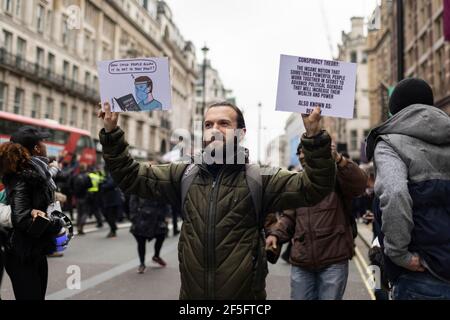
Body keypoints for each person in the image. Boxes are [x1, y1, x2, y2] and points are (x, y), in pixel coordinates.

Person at [98, 100, 335, 300]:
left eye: (224, 124)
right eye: (208, 124)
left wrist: (313, 137)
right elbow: (130, 177)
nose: (214, 129)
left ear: (241, 133)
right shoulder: (183, 174)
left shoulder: (259, 178)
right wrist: (111, 134)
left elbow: (314, 186)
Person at [366, 77, 450, 300]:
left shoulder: (389, 143)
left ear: (395, 110)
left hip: (421, 273)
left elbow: (394, 193)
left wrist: (399, 254)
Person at [266, 140, 367, 300]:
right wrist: (276, 235)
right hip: (302, 261)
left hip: (333, 260)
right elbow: (289, 217)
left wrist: (339, 159)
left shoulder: (336, 176)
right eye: (299, 152)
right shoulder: (297, 181)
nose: (301, 155)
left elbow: (360, 184)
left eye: (305, 151)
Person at [0, 136, 65, 300]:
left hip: (31, 249)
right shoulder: (22, 179)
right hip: (21, 250)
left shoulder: (36, 176)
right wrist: (53, 222)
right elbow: (21, 218)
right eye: (41, 142)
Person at [129, 194, 170, 273]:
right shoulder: (138, 184)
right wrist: (133, 216)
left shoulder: (160, 184)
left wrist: (167, 215)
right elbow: (133, 200)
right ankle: (142, 263)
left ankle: (156, 256)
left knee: (161, 235)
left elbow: (166, 199)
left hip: (157, 216)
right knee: (141, 240)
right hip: (142, 216)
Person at [99, 171, 122, 238]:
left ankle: (113, 230)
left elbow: (110, 184)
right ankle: (113, 228)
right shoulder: (108, 175)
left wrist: (102, 184)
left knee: (110, 216)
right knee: (106, 215)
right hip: (108, 199)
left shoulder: (113, 174)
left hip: (113, 200)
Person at [70, 163, 92, 235]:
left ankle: (78, 227)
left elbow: (70, 185)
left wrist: (74, 192)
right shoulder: (87, 176)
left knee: (79, 213)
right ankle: (81, 226)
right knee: (85, 212)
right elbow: (90, 185)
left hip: (77, 197)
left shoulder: (75, 176)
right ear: (84, 168)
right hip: (85, 196)